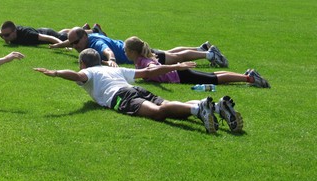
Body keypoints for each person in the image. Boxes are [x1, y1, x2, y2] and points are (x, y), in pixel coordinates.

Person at [35, 48, 243, 133]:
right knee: (165, 105)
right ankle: (215, 106)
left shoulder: (88, 72)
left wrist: (56, 72)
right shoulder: (113, 69)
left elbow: (76, 76)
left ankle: (199, 111)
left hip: (121, 97)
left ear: (82, 63)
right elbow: (147, 72)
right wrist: (176, 66)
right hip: (136, 89)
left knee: (158, 113)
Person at [124, 36, 270, 88]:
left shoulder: (143, 61)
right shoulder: (141, 59)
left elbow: (153, 67)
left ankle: (250, 78)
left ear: (132, 52)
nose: (124, 53)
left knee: (214, 79)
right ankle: (245, 75)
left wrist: (177, 67)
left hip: (180, 76)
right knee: (213, 75)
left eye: (126, 50)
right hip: (180, 73)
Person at [50, 27, 228, 68]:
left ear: (84, 37)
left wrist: (111, 60)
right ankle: (201, 48)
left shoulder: (95, 43)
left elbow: (107, 51)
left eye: (75, 43)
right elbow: (71, 40)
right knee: (168, 52)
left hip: (137, 53)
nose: (74, 47)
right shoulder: (89, 36)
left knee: (174, 57)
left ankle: (209, 55)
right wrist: (59, 45)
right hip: (135, 48)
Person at [0, 20, 71, 45]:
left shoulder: (27, 34)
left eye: (7, 35)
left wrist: (61, 45)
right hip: (42, 31)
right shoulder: (5, 33)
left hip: (48, 33)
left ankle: (84, 31)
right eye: (2, 35)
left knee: (65, 37)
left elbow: (48, 38)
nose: (4, 37)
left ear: (15, 32)